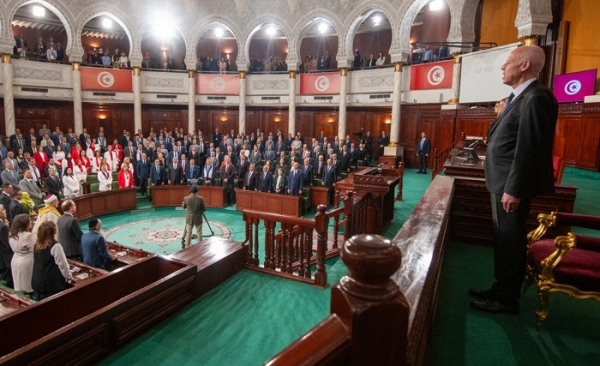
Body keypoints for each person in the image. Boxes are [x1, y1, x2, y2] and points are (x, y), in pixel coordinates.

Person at [470, 45, 559, 315]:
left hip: (510, 187)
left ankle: (507, 299)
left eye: (507, 62)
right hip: (502, 183)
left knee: (511, 240)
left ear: (524, 65)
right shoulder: (519, 97)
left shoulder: (536, 97)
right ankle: (502, 286)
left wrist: (514, 189)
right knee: (503, 239)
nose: (502, 67)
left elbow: (528, 148)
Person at [32, 221, 72, 301]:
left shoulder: (36, 244)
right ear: (52, 231)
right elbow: (63, 265)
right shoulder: (55, 246)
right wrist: (69, 277)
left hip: (38, 282)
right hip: (52, 285)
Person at [9, 214, 34, 293]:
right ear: (24, 223)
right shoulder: (28, 236)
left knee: (19, 283)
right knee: (27, 284)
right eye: (29, 221)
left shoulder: (11, 234)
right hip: (26, 262)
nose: (31, 222)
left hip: (15, 260)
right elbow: (36, 249)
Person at [0, 205, 13, 288]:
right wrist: (8, 229)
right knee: (8, 283)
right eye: (2, 209)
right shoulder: (3, 227)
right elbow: (9, 244)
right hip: (5, 260)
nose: (5, 210)